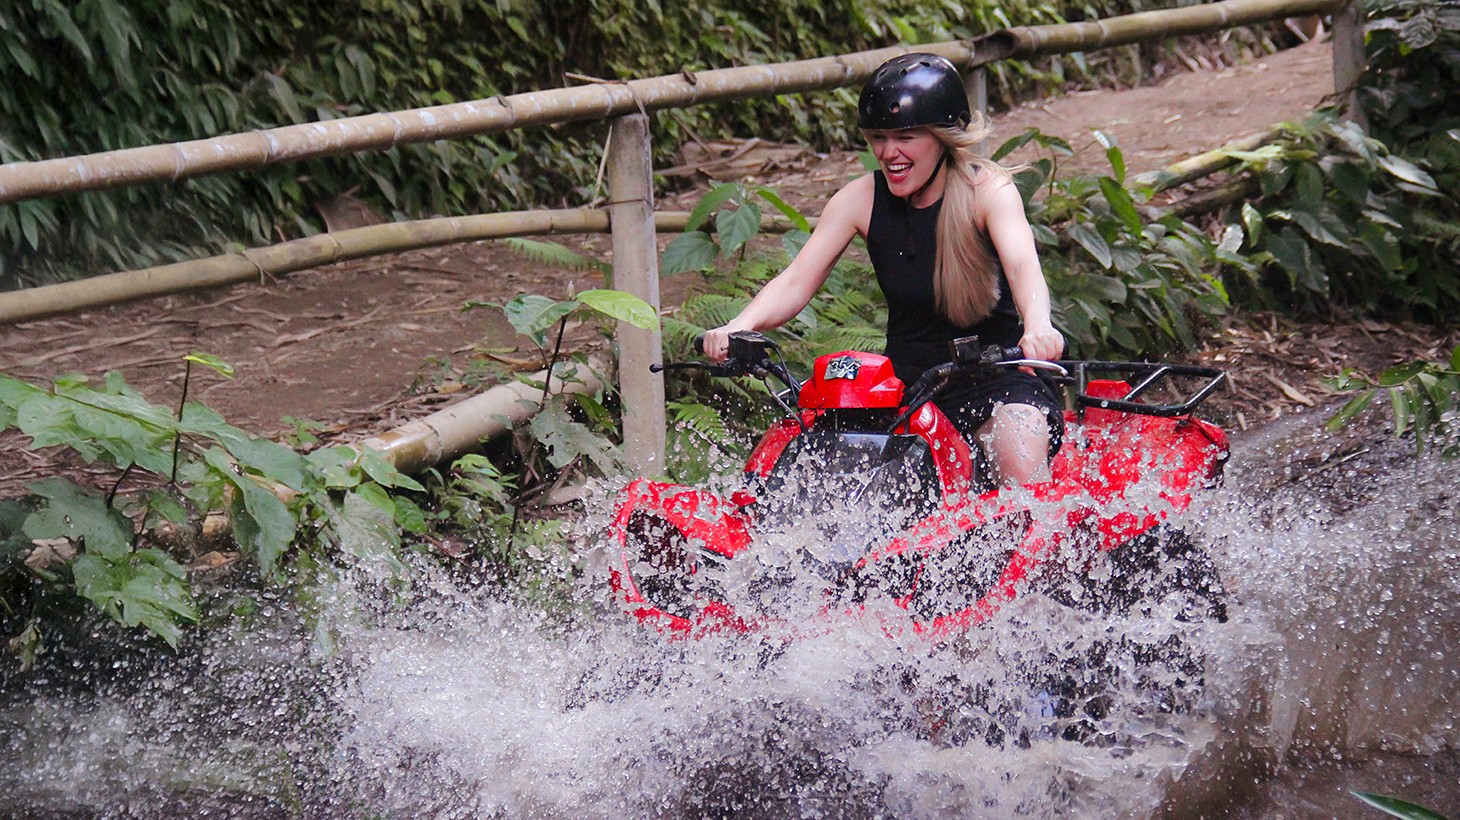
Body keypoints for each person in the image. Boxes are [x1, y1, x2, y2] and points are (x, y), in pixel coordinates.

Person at [701, 52, 1066, 487]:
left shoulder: (987, 190)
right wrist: (738, 327)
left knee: (1015, 448)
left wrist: (1038, 324)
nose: (889, 153)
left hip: (997, 380)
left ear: (943, 137)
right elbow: (796, 280)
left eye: (906, 137)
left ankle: (1044, 531)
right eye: (878, 137)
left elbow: (1024, 264)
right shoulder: (858, 199)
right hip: (905, 394)